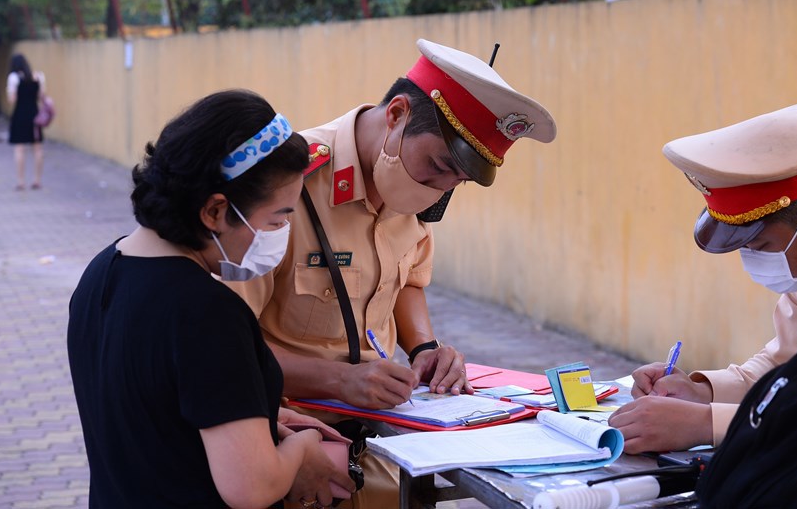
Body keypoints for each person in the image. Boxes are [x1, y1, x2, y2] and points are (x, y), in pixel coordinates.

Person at [230, 38, 556, 508]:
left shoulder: (410, 181)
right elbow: (228, 350)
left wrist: (425, 348)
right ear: (398, 114)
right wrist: (339, 380)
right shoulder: (289, 183)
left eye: (456, 182)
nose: (438, 190)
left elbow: (406, 281)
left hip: (382, 446)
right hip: (290, 447)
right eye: (437, 167)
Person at [67, 90, 356, 508]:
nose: (280, 235)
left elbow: (152, 416)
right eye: (277, 219)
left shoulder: (100, 272)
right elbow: (251, 487)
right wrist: (304, 448)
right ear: (215, 211)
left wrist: (255, 417)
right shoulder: (208, 313)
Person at [609, 102, 797, 453]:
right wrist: (701, 393)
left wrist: (707, 423)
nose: (752, 259)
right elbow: (787, 367)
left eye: (759, 244)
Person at [6, 53, 46, 190]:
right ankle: (37, 180)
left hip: (20, 115)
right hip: (35, 115)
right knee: (38, 148)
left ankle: (20, 181)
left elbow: (12, 99)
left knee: (19, 149)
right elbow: (41, 96)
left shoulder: (13, 78)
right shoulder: (38, 76)